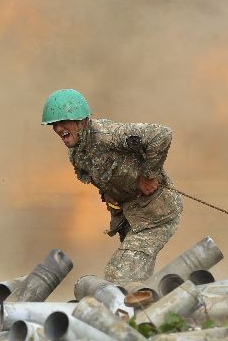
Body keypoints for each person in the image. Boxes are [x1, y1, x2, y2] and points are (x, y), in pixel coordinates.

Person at [41, 89, 182, 284]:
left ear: (82, 121)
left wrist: (148, 176)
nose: (58, 129)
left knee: (119, 275)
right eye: (54, 125)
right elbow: (100, 176)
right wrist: (109, 193)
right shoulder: (77, 155)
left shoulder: (108, 135)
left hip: (156, 214)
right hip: (131, 217)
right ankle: (146, 309)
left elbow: (161, 135)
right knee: (136, 280)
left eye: (63, 122)